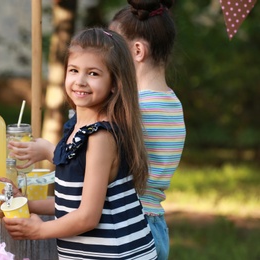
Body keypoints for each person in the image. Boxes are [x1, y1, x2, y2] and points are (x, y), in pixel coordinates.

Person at [7, 1, 186, 259]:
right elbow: (75, 194)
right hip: (144, 223)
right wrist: (27, 203)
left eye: (94, 72)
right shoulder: (171, 102)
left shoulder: (112, 126)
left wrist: (39, 228)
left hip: (122, 233)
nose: (80, 80)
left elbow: (89, 210)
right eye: (74, 70)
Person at [108, 1, 186, 259]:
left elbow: (100, 161)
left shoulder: (134, 108)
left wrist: (50, 150)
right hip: (156, 226)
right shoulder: (172, 103)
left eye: (113, 49)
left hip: (128, 226)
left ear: (137, 51)